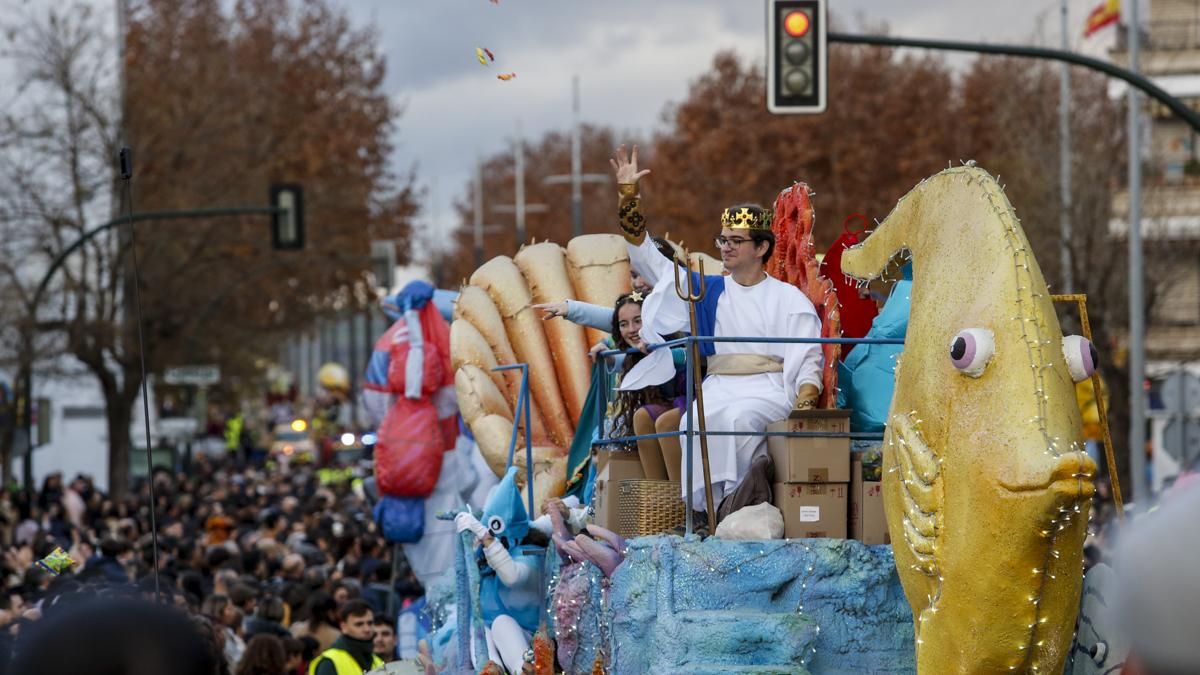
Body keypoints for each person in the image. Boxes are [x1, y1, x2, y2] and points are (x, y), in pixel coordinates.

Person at [610, 144, 823, 516]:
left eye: (735, 241)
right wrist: (629, 197)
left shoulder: (789, 298)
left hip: (769, 388)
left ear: (760, 247)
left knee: (738, 418)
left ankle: (744, 507)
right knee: (695, 419)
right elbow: (652, 262)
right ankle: (712, 514)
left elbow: (807, 354)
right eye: (722, 240)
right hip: (720, 386)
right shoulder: (709, 290)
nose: (725, 247)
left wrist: (807, 393)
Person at [309, 599, 384, 675]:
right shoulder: (329, 662)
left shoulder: (378, 662)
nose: (367, 629)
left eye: (370, 623)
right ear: (344, 627)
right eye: (359, 624)